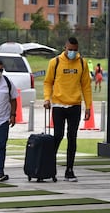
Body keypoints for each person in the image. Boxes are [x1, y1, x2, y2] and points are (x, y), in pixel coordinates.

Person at [43, 36, 92, 182]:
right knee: (58, 136)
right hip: (58, 104)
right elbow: (47, 82)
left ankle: (69, 170)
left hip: (75, 105)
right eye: (70, 50)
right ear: (65, 48)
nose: (72, 53)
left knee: (72, 137)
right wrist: (47, 98)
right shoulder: (55, 62)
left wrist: (88, 106)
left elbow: (86, 86)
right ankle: (49, 167)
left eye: (75, 50)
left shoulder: (82, 63)